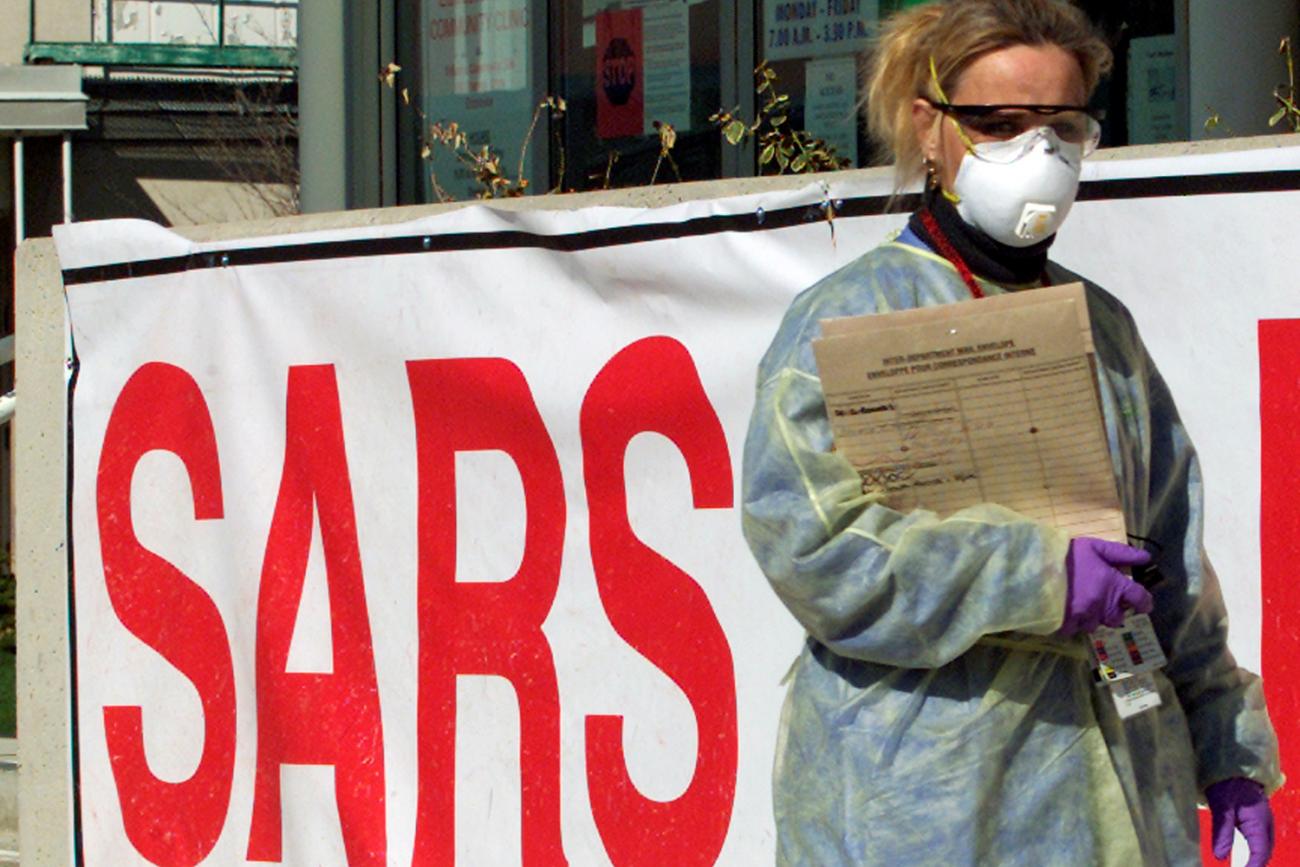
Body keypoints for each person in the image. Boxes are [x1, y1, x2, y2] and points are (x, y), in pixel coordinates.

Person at [740, 1, 1283, 864]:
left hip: (1115, 799)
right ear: (930, 127)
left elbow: (1171, 563)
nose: (1040, 155)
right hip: (920, 799)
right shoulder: (844, 326)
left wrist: (1226, 745)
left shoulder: (1102, 331)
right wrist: (1035, 575)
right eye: (999, 125)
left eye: (1064, 128)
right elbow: (816, 550)